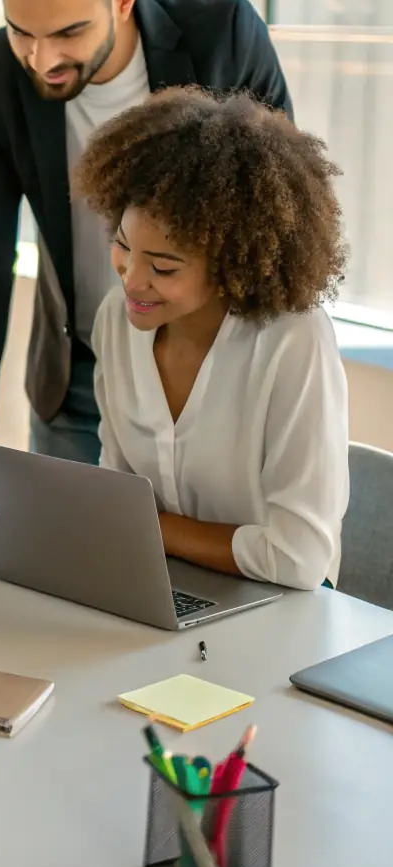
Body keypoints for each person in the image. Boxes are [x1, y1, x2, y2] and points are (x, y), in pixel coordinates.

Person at [0, 0, 292, 494]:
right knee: (67, 548)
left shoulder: (223, 37)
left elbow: (280, 214)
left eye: (68, 32)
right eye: (22, 32)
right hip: (78, 378)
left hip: (218, 367)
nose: (42, 59)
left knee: (215, 550)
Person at [74, 88, 348, 591]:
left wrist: (154, 529)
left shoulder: (293, 342)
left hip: (277, 606)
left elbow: (299, 559)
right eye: (123, 246)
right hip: (159, 585)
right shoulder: (117, 318)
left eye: (163, 267)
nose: (131, 280)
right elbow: (118, 493)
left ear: (231, 267)